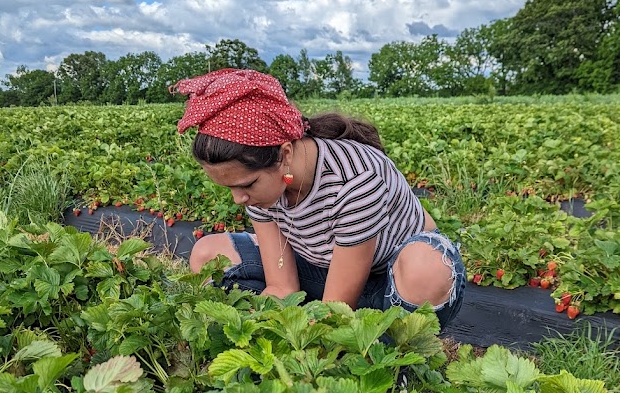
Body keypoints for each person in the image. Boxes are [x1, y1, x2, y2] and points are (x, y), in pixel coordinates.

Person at [174, 68, 465, 326]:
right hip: (326, 270)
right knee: (206, 253)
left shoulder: (355, 180)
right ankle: (341, 328)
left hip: (390, 282)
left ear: (284, 154)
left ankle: (393, 347)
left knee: (425, 268)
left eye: (246, 184)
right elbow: (281, 286)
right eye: (230, 188)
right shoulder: (264, 189)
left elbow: (337, 307)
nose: (239, 198)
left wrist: (321, 325)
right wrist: (265, 325)